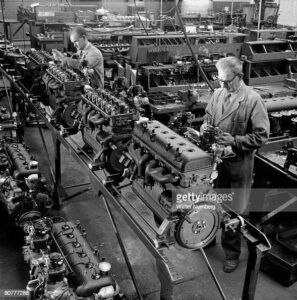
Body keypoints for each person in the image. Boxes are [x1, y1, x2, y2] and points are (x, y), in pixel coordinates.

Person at [203, 56, 270, 273]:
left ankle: (232, 254)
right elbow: (208, 117)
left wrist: (235, 141)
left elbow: (261, 136)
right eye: (219, 80)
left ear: (239, 76)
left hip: (239, 165)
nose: (221, 85)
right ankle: (208, 237)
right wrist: (205, 127)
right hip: (217, 161)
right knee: (213, 201)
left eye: (226, 81)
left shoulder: (252, 100)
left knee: (234, 211)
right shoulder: (217, 94)